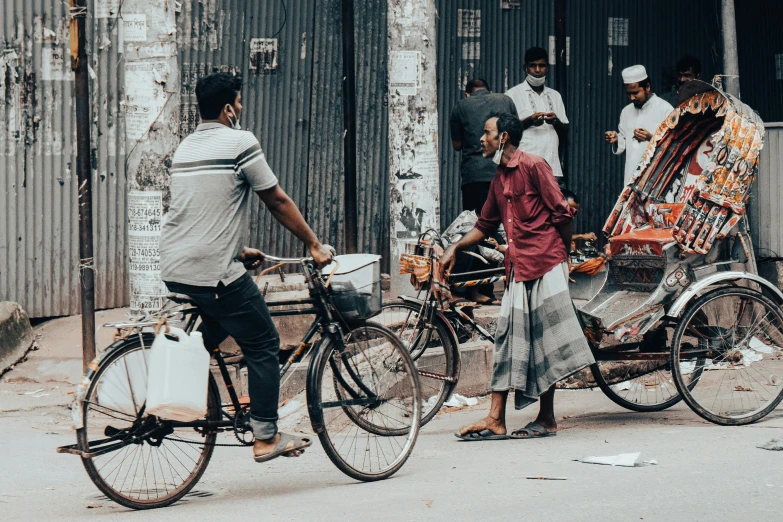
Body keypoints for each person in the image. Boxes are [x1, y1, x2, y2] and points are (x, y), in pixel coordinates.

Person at [159, 72, 333, 463]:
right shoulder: (240, 141)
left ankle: (176, 396)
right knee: (264, 343)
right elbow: (276, 200)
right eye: (238, 104)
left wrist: (237, 251)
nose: (240, 110)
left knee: (205, 338)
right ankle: (266, 436)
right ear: (227, 109)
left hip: (176, 264)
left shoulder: (186, 147)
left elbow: (199, 212)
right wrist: (313, 244)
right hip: (211, 271)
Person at [442, 113, 595, 441]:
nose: (481, 139)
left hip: (546, 263)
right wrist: (454, 248)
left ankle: (547, 418)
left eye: (487, 133)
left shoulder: (535, 166)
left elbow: (562, 213)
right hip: (518, 267)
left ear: (504, 137)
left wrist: (563, 260)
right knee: (508, 340)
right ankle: (496, 418)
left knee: (546, 342)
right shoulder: (498, 177)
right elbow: (484, 225)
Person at [450, 78, 518, 213]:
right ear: (489, 91)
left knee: (476, 223)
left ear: (467, 94)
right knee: (506, 221)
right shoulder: (506, 100)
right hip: (504, 173)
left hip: (475, 175)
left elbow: (457, 145)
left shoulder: (461, 106)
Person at [505, 47, 569, 183]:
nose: (538, 70)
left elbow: (565, 131)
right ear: (525, 68)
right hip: (523, 167)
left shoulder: (555, 96)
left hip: (551, 165)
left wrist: (555, 122)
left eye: (542, 66)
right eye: (533, 66)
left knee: (549, 204)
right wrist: (528, 121)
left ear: (547, 68)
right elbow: (506, 132)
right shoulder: (512, 95)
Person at [605, 65, 673, 186]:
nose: (632, 98)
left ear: (647, 87)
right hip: (631, 175)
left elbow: (675, 144)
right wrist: (617, 139)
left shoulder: (665, 109)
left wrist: (651, 138)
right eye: (628, 94)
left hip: (655, 178)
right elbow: (625, 141)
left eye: (635, 93)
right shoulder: (626, 111)